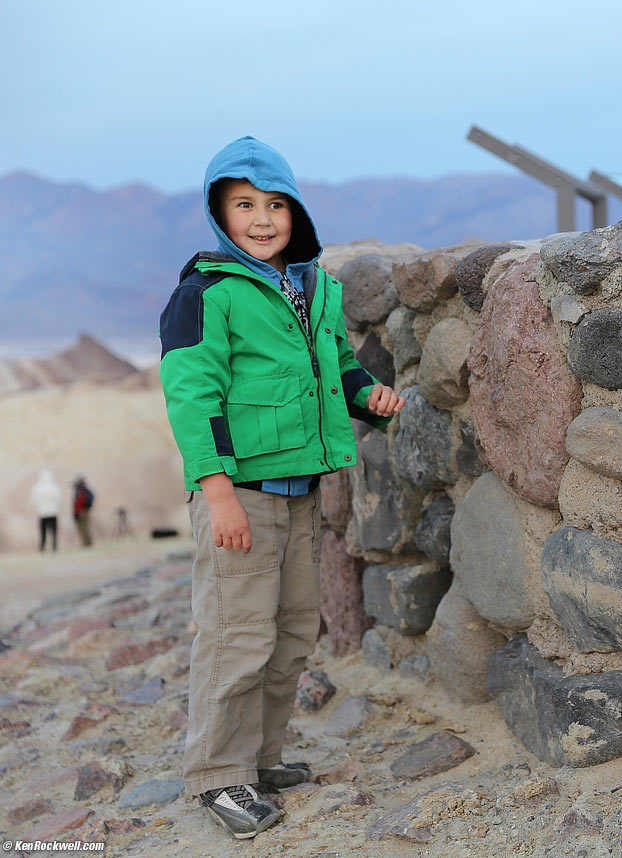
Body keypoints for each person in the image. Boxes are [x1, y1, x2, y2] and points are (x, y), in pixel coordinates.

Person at [158, 136, 404, 839]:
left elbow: (336, 366)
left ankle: (259, 761)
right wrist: (219, 491)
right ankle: (218, 776)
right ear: (218, 212)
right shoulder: (207, 293)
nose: (262, 219)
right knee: (236, 636)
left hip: (298, 491)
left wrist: (369, 396)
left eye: (274, 205)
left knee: (292, 632)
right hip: (239, 493)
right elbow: (191, 397)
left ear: (294, 210)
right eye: (244, 206)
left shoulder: (312, 287)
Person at [30, 468, 61, 551]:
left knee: (43, 531)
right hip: (53, 512)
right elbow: (59, 498)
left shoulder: (37, 487)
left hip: (42, 512)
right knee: (53, 530)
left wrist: (39, 507)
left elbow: (33, 500)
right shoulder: (54, 487)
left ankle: (42, 546)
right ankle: (54, 544)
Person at [72, 475, 94, 547]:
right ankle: (87, 542)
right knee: (84, 527)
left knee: (83, 527)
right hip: (84, 511)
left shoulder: (80, 490)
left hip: (81, 511)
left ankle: (86, 543)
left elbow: (78, 502)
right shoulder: (84, 489)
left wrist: (77, 511)